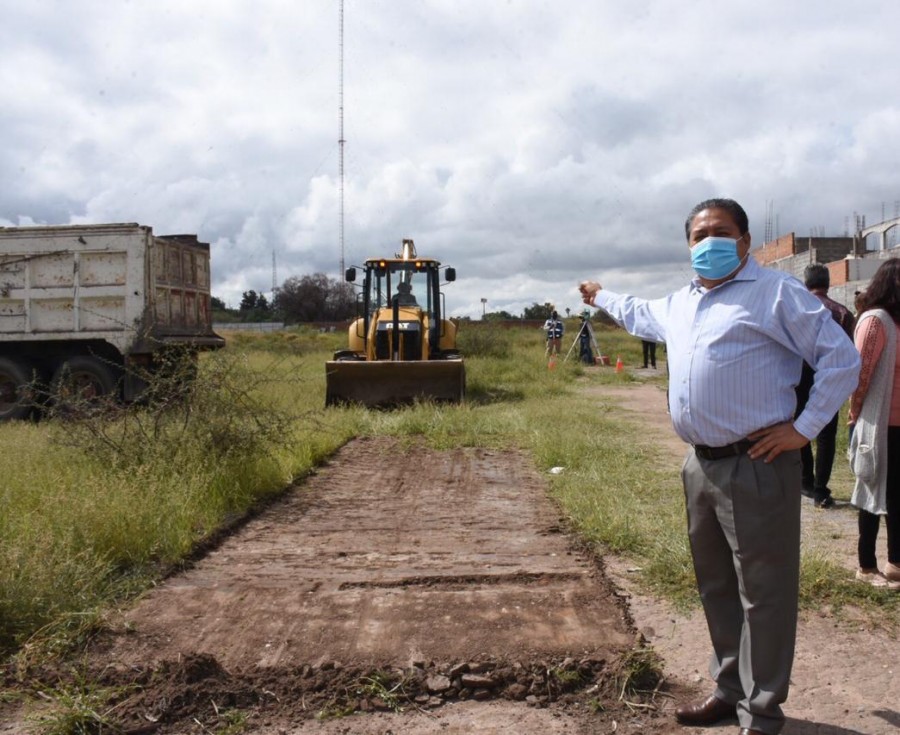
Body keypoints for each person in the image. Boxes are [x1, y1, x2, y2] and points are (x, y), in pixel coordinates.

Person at [579, 198, 860, 735]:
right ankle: (729, 690)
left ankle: (762, 710)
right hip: (700, 467)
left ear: (745, 241)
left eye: (721, 232)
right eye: (699, 234)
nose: (709, 242)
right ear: (688, 245)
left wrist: (802, 429)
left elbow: (841, 359)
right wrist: (600, 296)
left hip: (756, 463)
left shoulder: (775, 293)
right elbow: (639, 312)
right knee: (716, 587)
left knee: (764, 592)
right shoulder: (682, 302)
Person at [848, 258, 900, 590]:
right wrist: (856, 415)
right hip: (879, 425)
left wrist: (854, 414)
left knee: (893, 494)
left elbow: (861, 374)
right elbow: (862, 373)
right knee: (872, 488)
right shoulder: (878, 322)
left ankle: (889, 563)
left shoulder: (886, 322)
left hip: (889, 425)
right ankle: (870, 565)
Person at [794, 264, 856, 508]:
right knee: (826, 436)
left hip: (799, 380)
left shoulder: (796, 310)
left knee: (800, 430)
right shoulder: (842, 313)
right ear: (828, 283)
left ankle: (805, 482)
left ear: (806, 283)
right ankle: (821, 491)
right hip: (830, 380)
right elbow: (851, 352)